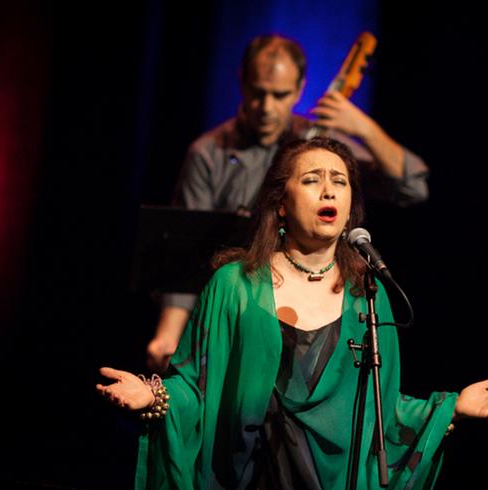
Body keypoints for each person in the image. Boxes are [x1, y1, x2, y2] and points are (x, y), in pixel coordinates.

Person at [99, 137, 488, 490]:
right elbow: (197, 388)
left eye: (339, 182)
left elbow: (384, 412)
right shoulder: (235, 286)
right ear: (281, 204)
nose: (328, 190)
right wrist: (152, 395)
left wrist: (453, 407)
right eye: (312, 180)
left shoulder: (368, 295)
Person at [147, 34, 431, 372]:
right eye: (258, 92)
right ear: (242, 83)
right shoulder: (208, 153)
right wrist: (167, 334)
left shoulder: (316, 148)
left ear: (299, 90)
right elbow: (186, 256)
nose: (266, 107)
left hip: (303, 315)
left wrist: (364, 128)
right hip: (231, 311)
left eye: (279, 95)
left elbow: (412, 186)